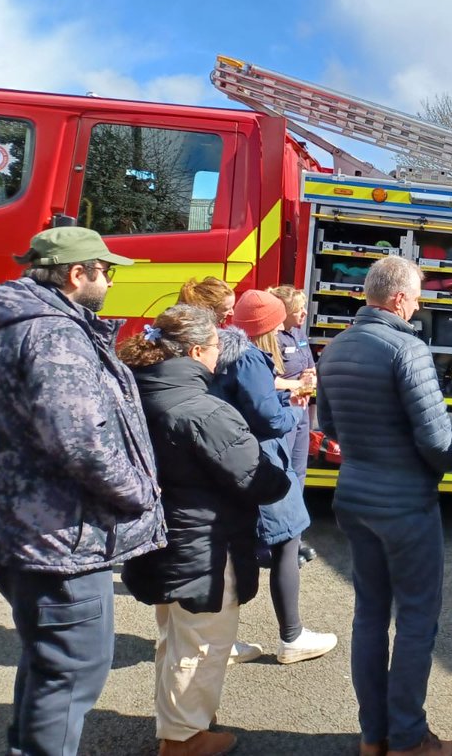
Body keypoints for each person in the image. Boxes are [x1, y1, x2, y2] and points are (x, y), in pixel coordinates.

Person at [0, 227, 165, 756]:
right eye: (106, 270)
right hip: (60, 540)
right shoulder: (56, 334)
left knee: (48, 663)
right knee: (72, 672)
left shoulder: (3, 325)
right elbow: (82, 440)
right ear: (78, 274)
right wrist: (138, 493)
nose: (110, 279)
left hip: (18, 529)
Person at [119, 305, 291, 756]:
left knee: (175, 637)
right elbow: (258, 479)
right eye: (216, 347)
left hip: (158, 537)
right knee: (202, 644)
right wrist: (278, 471)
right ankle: (184, 739)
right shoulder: (203, 410)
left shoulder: (134, 391)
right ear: (196, 350)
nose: (220, 356)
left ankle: (179, 723)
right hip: (203, 545)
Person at [316, 255, 452, 756]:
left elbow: (330, 426)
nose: (418, 304)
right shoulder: (408, 349)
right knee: (418, 618)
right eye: (417, 296)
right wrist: (444, 467)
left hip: (354, 497)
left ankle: (373, 737)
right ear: (399, 298)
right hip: (405, 504)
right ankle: (408, 739)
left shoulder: (333, 349)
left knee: (369, 617)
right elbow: (436, 437)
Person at [212, 289, 338, 664]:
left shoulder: (225, 353)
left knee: (232, 551)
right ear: (269, 325)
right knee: (286, 540)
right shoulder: (252, 360)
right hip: (261, 460)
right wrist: (296, 408)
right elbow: (268, 419)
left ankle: (221, 639)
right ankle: (292, 637)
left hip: (234, 459)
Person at [268, 285, 318, 565]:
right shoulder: (271, 337)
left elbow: (309, 364)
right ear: (284, 311)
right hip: (283, 411)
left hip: (301, 414)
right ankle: (274, 539)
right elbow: (270, 378)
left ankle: (293, 537)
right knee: (279, 473)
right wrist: (298, 384)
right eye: (299, 308)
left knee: (298, 474)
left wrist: (310, 376)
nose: (304, 313)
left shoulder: (298, 334)